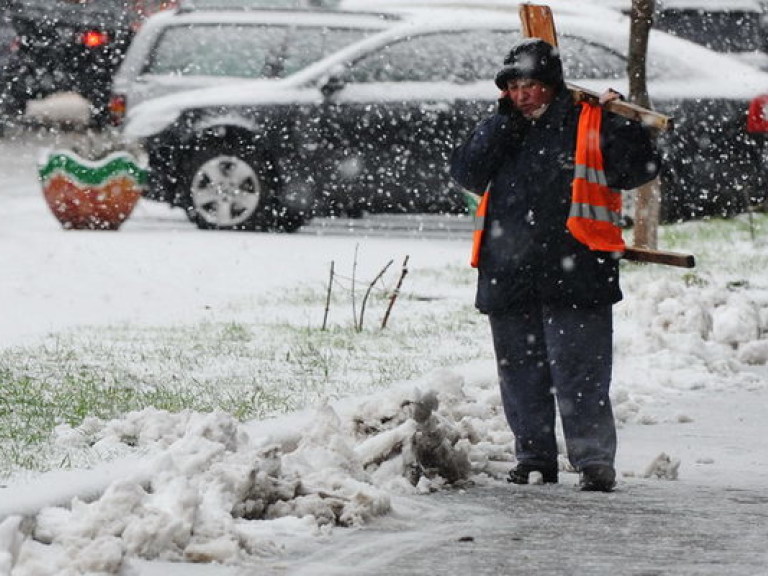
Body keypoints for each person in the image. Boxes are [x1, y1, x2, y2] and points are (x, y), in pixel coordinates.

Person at [450, 38, 660, 492]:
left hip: (577, 268)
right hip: (508, 270)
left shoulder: (590, 121)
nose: (521, 94)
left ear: (552, 86)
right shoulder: (501, 126)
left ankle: (593, 460)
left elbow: (639, 168)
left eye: (530, 85)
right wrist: (499, 123)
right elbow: (467, 171)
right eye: (513, 86)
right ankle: (533, 456)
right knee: (521, 371)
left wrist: (623, 122)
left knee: (580, 372)